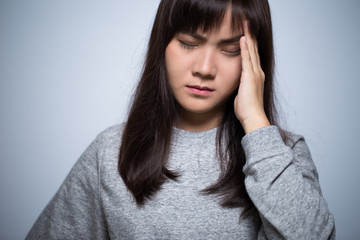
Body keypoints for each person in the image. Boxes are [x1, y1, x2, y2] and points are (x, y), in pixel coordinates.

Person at [26, 0, 336, 239]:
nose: (204, 67)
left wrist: (256, 121)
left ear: (254, 60)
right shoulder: (110, 152)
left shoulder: (280, 153)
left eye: (229, 50)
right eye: (189, 43)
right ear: (162, 45)